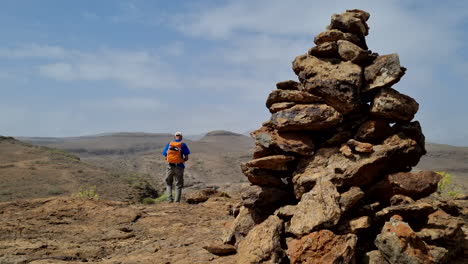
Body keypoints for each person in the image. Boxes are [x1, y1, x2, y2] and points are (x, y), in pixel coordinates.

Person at [162, 131, 190, 202]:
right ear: (181, 137)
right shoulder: (182, 144)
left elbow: (165, 155)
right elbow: (186, 158)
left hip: (170, 166)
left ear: (174, 137)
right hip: (179, 166)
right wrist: (182, 160)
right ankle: (176, 201)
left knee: (169, 183)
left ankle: (169, 200)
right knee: (178, 184)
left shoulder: (169, 144)